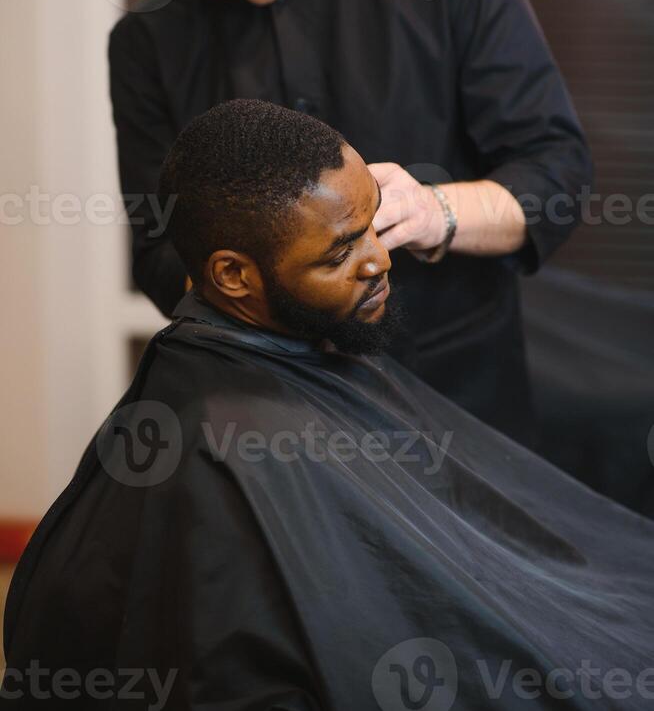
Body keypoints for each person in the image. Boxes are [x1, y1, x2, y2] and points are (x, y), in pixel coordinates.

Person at [1, 101, 650, 711]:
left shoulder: (309, 351)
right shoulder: (226, 457)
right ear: (232, 276)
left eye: (371, 225)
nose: (378, 261)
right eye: (340, 252)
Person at [91, 0, 593, 444]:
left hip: (459, 399)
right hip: (264, 414)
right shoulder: (147, 44)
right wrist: (270, 292)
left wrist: (434, 212)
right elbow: (157, 246)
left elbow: (555, 174)